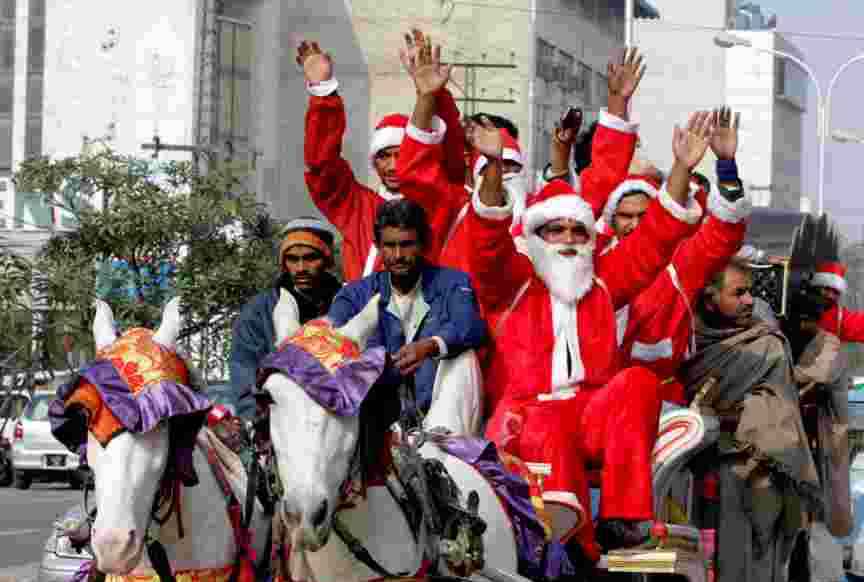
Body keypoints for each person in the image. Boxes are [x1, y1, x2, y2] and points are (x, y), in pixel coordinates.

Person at [465, 112, 712, 562]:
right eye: (555, 230)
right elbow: (485, 241)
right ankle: (568, 546)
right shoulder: (513, 281)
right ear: (536, 236)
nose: (567, 240)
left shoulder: (601, 281)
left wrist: (680, 170)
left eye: (578, 230)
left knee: (637, 381)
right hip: (527, 419)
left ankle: (622, 517)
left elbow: (655, 239)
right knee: (548, 423)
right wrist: (493, 167)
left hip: (591, 415)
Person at [679, 259, 821, 582]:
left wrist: (724, 419)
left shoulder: (768, 346)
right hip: (685, 477)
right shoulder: (685, 339)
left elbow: (778, 418)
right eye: (736, 293)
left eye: (748, 294)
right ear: (708, 297)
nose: (746, 302)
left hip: (749, 485)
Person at [397, 33, 646, 272]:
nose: (502, 174)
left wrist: (617, 103)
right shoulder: (453, 211)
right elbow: (415, 176)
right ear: (473, 176)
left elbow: (601, 180)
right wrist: (427, 98)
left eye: (510, 166)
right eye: (492, 166)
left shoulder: (546, 216)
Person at [605, 107, 762, 407]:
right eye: (625, 216)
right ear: (611, 220)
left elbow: (723, 234)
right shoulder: (593, 265)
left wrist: (726, 165)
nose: (634, 225)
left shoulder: (679, 266)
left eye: (643, 215)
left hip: (662, 405)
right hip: (597, 404)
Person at [298, 39, 466, 282]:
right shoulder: (359, 206)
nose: (393, 166)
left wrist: (432, 95)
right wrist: (322, 91)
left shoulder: (432, 202)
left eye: (401, 155)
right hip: (362, 316)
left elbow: (450, 155)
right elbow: (321, 165)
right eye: (383, 156)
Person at [327, 198, 488, 436]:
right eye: (389, 246)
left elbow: (472, 327)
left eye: (406, 245)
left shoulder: (453, 283)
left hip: (441, 410)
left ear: (423, 244)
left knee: (464, 356)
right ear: (378, 246)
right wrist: (380, 362)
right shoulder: (354, 294)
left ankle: (446, 454)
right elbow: (333, 340)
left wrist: (431, 346)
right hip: (376, 410)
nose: (398, 255)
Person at [230, 218, 342, 419]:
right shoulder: (258, 312)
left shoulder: (346, 306)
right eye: (292, 259)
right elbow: (244, 372)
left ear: (327, 260)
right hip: (276, 426)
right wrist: (257, 422)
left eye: (310, 258)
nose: (300, 268)